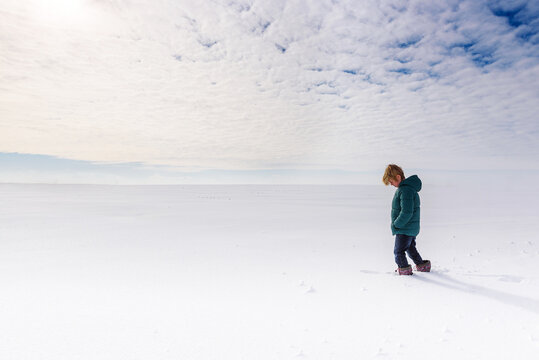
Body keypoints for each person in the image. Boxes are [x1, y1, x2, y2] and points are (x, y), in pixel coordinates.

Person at [382, 164, 431, 275]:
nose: (391, 184)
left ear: (398, 177)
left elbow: (407, 212)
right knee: (410, 248)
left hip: (404, 228)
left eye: (391, 181)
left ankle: (404, 270)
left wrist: (397, 224)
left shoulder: (405, 190)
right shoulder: (408, 189)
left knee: (398, 251)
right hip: (410, 228)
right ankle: (422, 265)